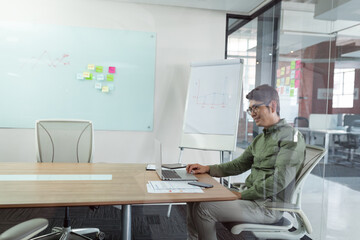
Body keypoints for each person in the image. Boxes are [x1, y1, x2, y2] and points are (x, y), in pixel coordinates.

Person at [186, 84, 306, 240]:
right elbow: (238, 165)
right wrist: (207, 168)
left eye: (255, 108)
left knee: (205, 208)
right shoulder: (261, 138)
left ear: (273, 105)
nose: (252, 114)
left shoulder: (290, 137)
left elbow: (279, 180)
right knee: (194, 199)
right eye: (250, 109)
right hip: (251, 199)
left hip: (267, 207)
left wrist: (242, 194)